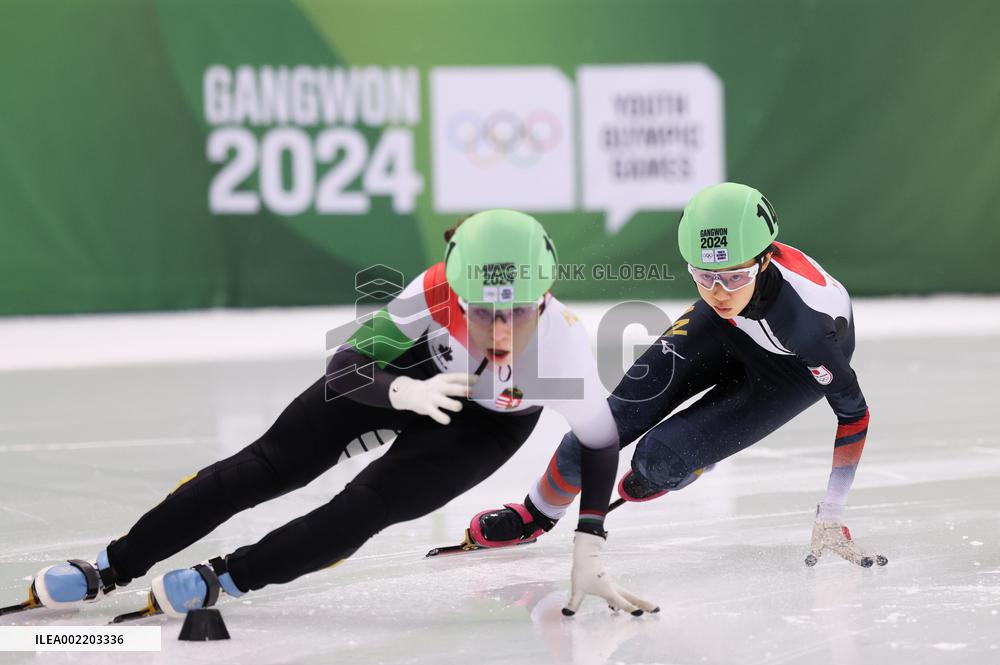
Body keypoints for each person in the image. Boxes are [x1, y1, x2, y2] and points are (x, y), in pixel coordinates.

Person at [16, 209, 658, 620]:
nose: (497, 327)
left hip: (488, 422)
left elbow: (600, 443)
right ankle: (110, 566)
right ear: (455, 290)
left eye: (516, 311)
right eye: (480, 310)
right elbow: (346, 366)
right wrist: (400, 394)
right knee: (262, 467)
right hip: (405, 377)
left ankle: (229, 579)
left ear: (543, 298)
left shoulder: (562, 348)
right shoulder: (434, 290)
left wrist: (589, 540)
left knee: (365, 506)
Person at [468, 183, 887, 569]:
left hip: (789, 371)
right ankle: (535, 514)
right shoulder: (725, 297)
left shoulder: (808, 327)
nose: (719, 292)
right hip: (725, 329)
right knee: (603, 425)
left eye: (734, 277)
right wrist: (725, 284)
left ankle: (685, 464)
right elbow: (724, 290)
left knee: (655, 462)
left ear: (764, 261)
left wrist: (832, 514)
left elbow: (855, 415)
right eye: (703, 277)